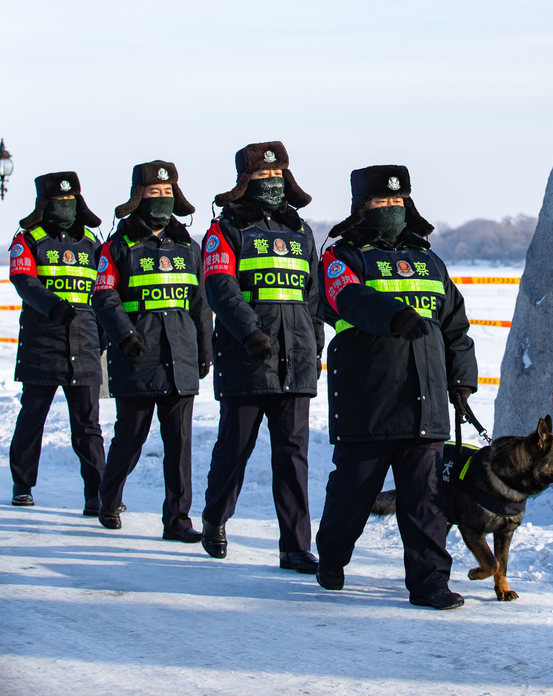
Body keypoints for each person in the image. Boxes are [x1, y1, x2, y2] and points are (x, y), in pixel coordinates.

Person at [315, 164, 478, 610]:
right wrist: (393, 316)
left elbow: (455, 327)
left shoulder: (429, 261)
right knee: (353, 493)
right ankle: (331, 555)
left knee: (426, 501)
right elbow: (345, 297)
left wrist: (461, 379)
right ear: (360, 207)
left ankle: (430, 584)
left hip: (426, 402)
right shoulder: (341, 257)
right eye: (380, 201)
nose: (390, 208)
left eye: (397, 200)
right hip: (367, 400)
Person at [200, 141, 322, 572]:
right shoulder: (225, 230)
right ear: (243, 182)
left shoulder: (300, 230)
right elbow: (220, 286)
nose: (271, 184)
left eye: (277, 176)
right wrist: (249, 331)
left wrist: (315, 347)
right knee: (235, 448)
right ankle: (214, 520)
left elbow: (313, 298)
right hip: (247, 359)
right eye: (261, 177)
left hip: (296, 362)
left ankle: (295, 546)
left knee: (293, 457)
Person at [92, 161, 212, 541]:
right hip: (137, 357)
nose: (161, 199)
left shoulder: (189, 248)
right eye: (152, 192)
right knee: (130, 438)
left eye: (167, 193)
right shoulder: (117, 247)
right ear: (136, 197)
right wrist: (124, 335)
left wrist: (205, 349)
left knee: (179, 448)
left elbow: (200, 304)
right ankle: (108, 500)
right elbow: (104, 295)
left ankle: (177, 521)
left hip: (181, 359)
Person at [8, 172, 105, 513]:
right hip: (42, 343)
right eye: (58, 201)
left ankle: (97, 494)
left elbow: (105, 291)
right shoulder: (28, 240)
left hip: (86, 342)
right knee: (33, 417)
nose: (65, 206)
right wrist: (53, 307)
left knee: (88, 424)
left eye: (70, 200)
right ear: (44, 204)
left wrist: (104, 334)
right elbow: (23, 279)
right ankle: (23, 484)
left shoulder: (93, 242)